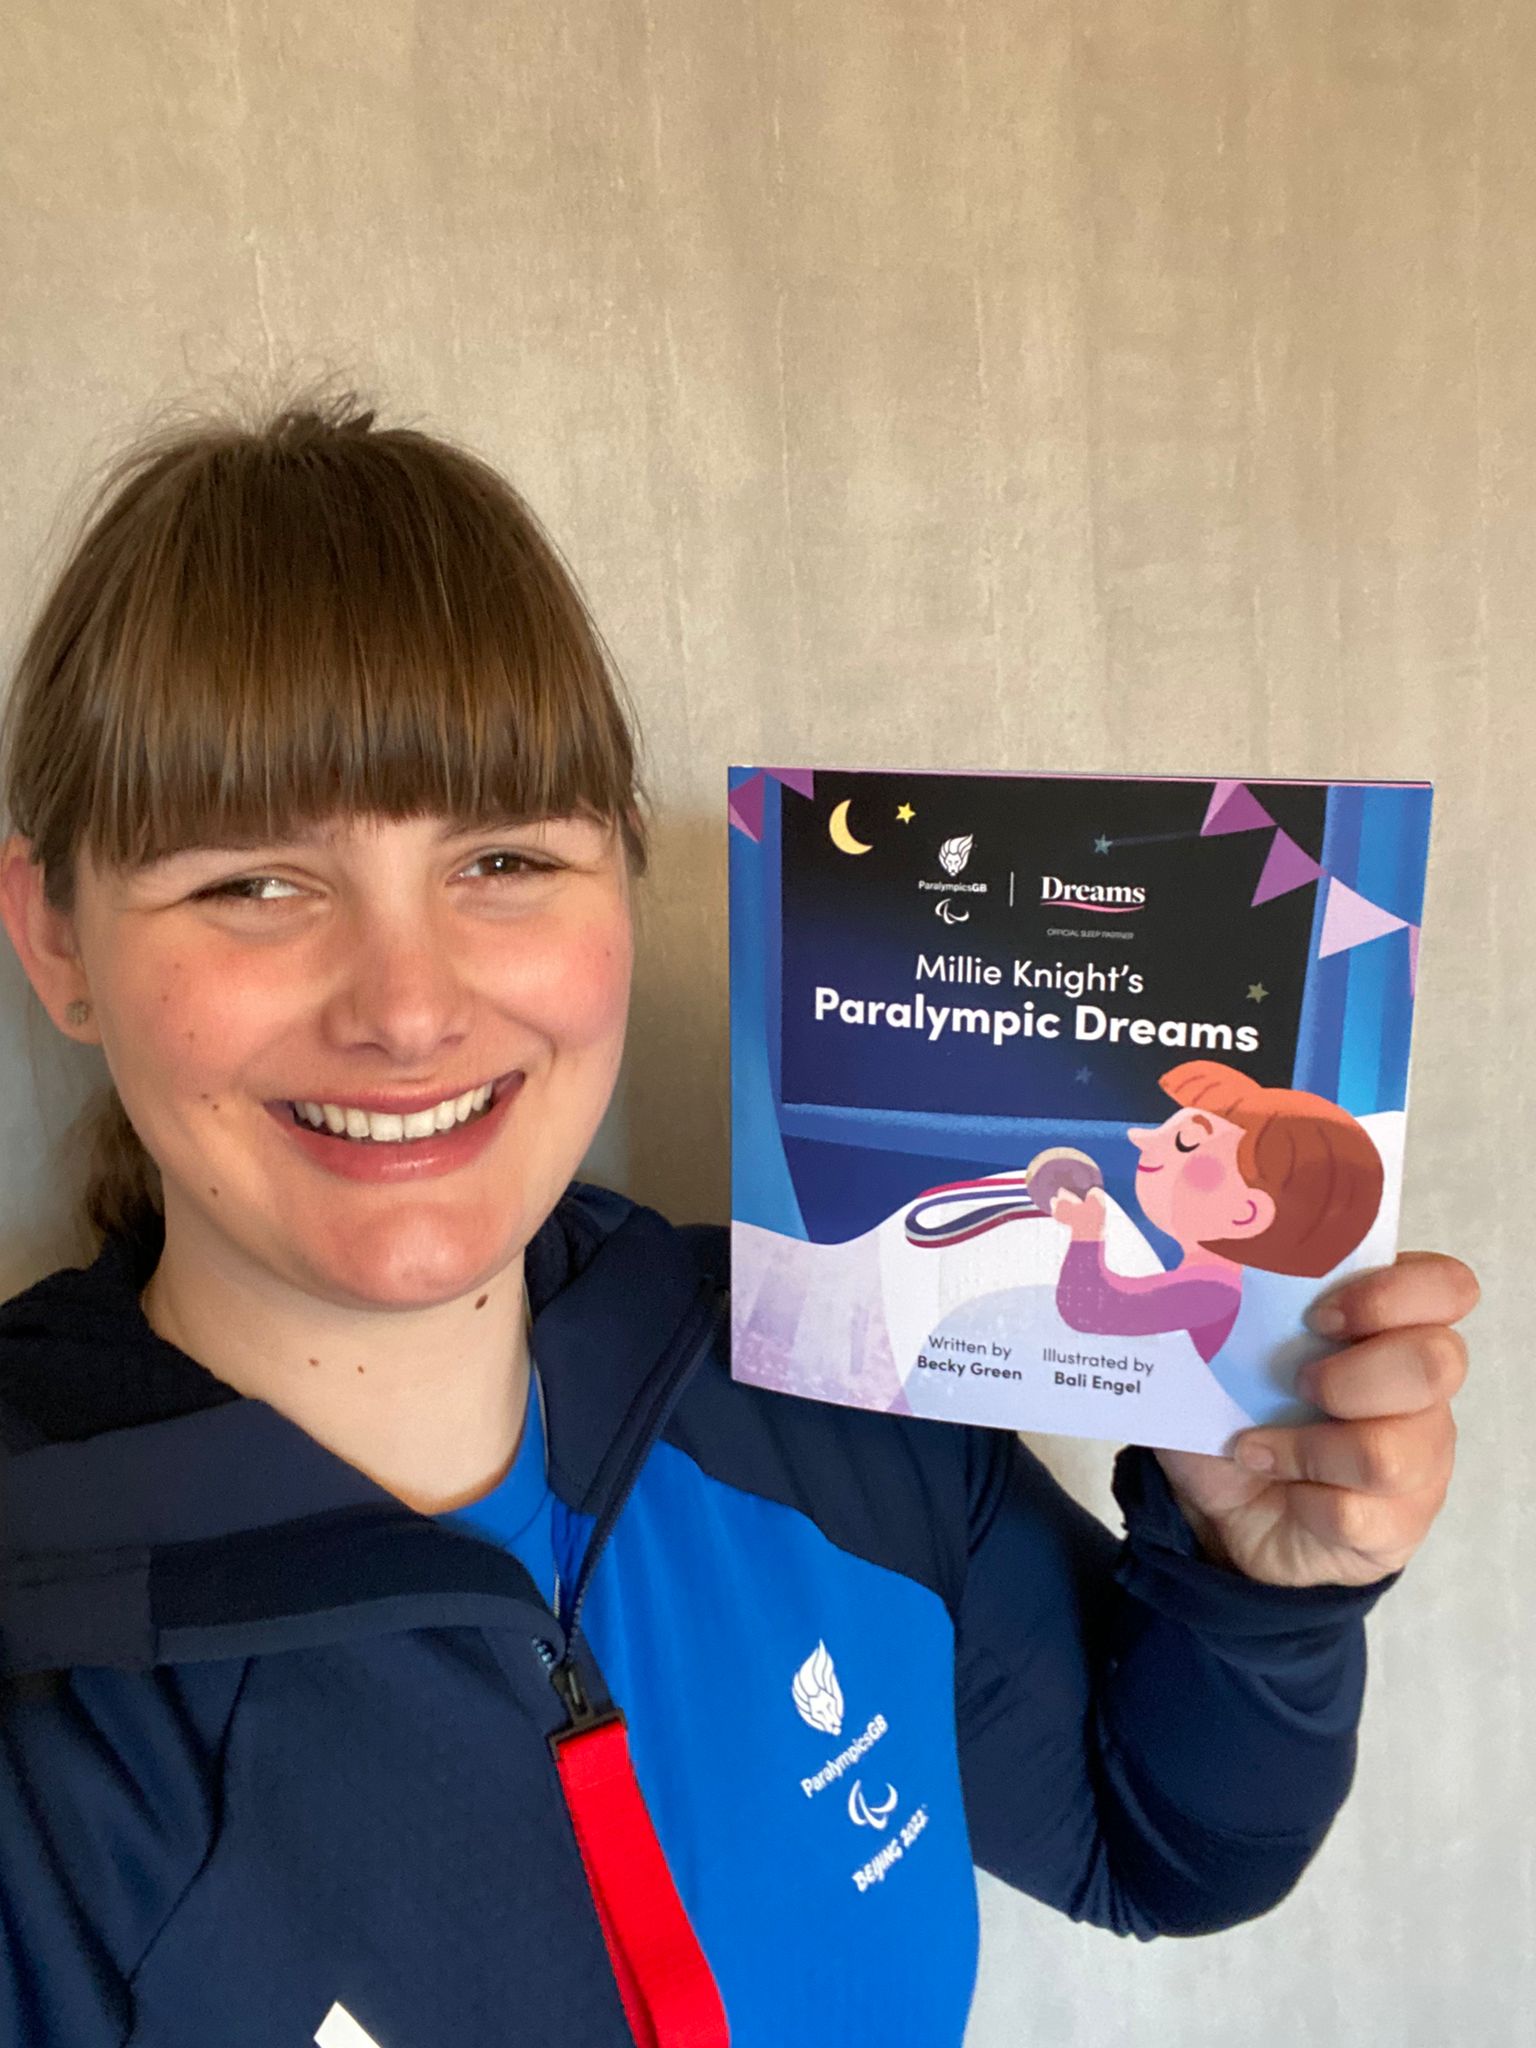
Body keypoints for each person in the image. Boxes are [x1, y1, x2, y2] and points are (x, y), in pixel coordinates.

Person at [0, 397, 1476, 2048]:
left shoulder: (818, 1382)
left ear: (620, 883)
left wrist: (1254, 1591)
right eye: (251, 883)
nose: (407, 1010)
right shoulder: (39, 1681)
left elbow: (1157, 1842)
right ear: (53, 935)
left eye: (501, 858)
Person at [1051, 1060, 1386, 1363]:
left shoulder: (1211, 1294)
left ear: (1244, 1214)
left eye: (1185, 1141)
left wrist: (1087, 1234)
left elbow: (1091, 1311)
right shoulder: (1207, 1283)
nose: (1142, 1138)